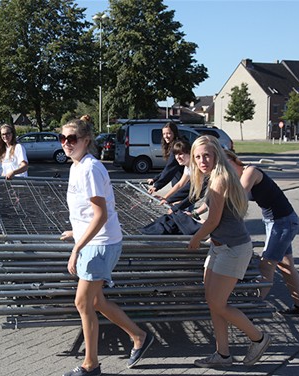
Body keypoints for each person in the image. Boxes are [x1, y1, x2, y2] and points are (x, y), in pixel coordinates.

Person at [59, 119, 153, 376]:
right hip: (95, 241)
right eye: (63, 138)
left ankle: (91, 365)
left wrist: (78, 247)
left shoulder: (90, 168)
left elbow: (100, 215)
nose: (67, 143)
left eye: (72, 138)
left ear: (86, 140)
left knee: (83, 303)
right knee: (96, 301)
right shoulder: (77, 166)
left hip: (99, 245)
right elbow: (88, 213)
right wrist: (75, 231)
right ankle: (139, 336)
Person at [187, 136, 270, 368]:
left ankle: (258, 338)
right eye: (197, 157)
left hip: (233, 249)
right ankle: (222, 354)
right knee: (213, 302)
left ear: (215, 155)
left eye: (206, 155)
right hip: (219, 246)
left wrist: (195, 239)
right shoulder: (214, 176)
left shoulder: (219, 179)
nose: (202, 160)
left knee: (218, 303)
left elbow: (212, 221)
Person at [225, 150, 299, 315]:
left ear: (234, 160)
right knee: (286, 266)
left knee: (266, 266)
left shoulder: (250, 171)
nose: (226, 168)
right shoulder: (237, 177)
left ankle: (250, 311)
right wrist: (199, 211)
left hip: (282, 222)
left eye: (228, 163)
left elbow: (238, 197)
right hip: (277, 222)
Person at [147, 122, 185, 196]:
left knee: (179, 206)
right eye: (164, 134)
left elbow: (170, 169)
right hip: (179, 185)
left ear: (175, 133)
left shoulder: (177, 147)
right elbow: (168, 168)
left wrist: (156, 186)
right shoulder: (172, 146)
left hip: (183, 186)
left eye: (169, 133)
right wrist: (155, 179)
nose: (166, 136)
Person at [155, 139, 192, 206]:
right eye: (175, 154)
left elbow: (191, 191)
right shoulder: (187, 166)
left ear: (189, 153)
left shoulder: (196, 166)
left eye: (180, 154)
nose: (177, 157)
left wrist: (170, 200)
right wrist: (165, 197)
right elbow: (180, 184)